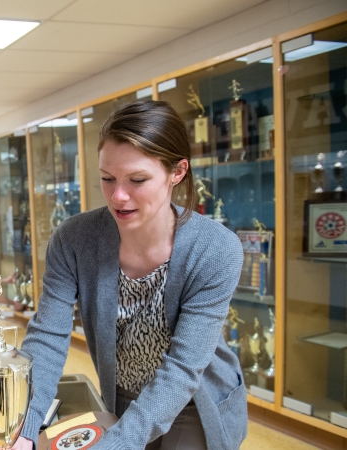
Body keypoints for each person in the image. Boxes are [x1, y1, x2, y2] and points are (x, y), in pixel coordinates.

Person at [14, 100, 247, 450]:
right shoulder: (74, 239)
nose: (118, 196)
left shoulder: (215, 248)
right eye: (107, 179)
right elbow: (48, 336)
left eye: (137, 180)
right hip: (122, 393)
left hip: (195, 401)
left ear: (177, 172)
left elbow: (183, 368)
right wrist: (25, 429)